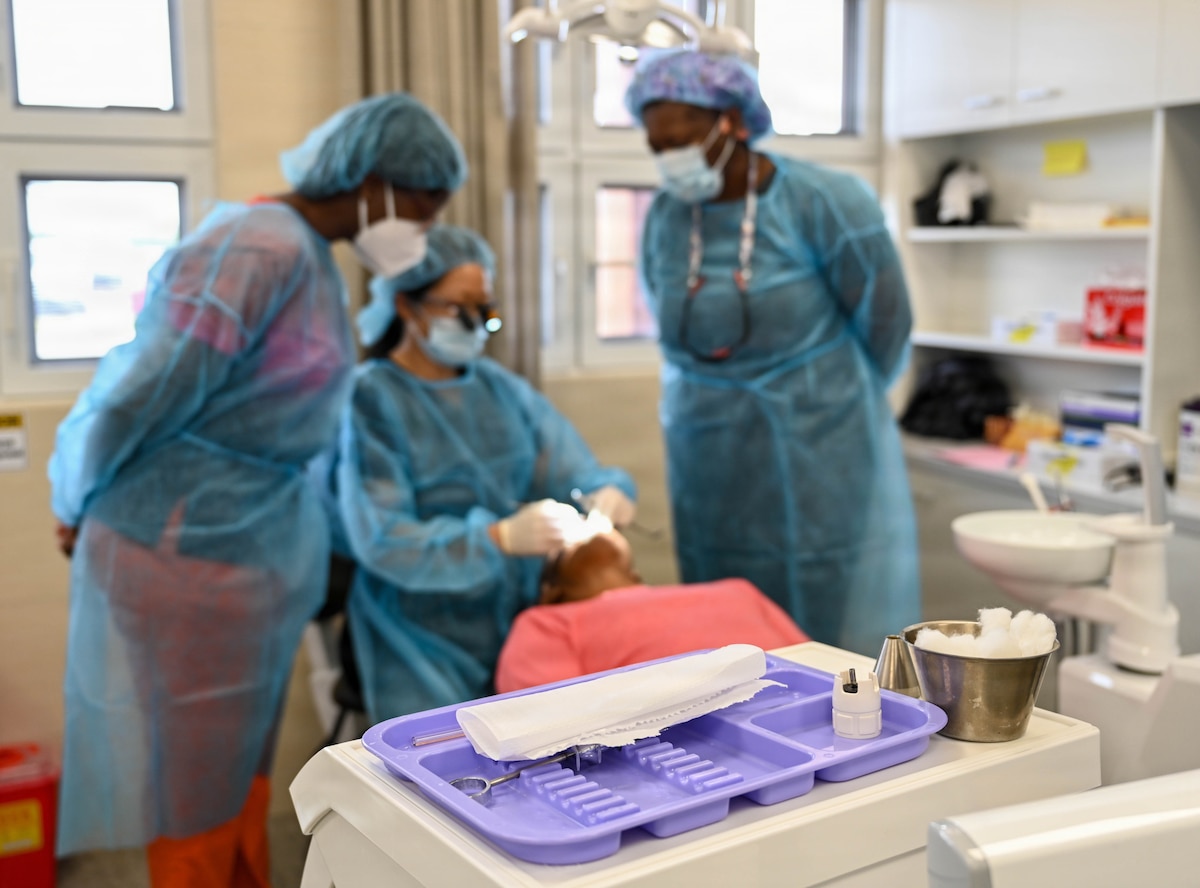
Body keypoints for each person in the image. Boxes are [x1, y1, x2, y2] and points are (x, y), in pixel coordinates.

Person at [46, 93, 466, 888]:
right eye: (423, 202)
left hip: (240, 555)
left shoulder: (306, 254)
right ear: (371, 178)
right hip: (184, 549)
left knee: (235, 775)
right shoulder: (253, 249)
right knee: (196, 791)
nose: (426, 225)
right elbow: (138, 393)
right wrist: (74, 495)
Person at [624, 51, 919, 656]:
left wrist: (836, 399)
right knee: (721, 615)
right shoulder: (666, 216)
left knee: (822, 618)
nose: (669, 159)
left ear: (730, 120)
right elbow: (672, 321)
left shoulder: (825, 201)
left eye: (681, 140)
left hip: (820, 447)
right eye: (657, 146)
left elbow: (886, 323)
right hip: (708, 453)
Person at [334, 224, 638, 722]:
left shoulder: (501, 391)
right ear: (406, 306)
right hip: (419, 639)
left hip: (521, 619)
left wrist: (604, 492)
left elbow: (569, 468)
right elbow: (383, 539)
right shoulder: (371, 400)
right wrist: (495, 538)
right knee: (443, 779)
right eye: (458, 307)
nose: (476, 322)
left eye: (485, 307)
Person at [494, 527, 809, 693]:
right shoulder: (546, 622)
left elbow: (817, 665)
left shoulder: (738, 590)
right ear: (551, 592)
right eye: (563, 549)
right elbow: (545, 726)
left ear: (636, 576)